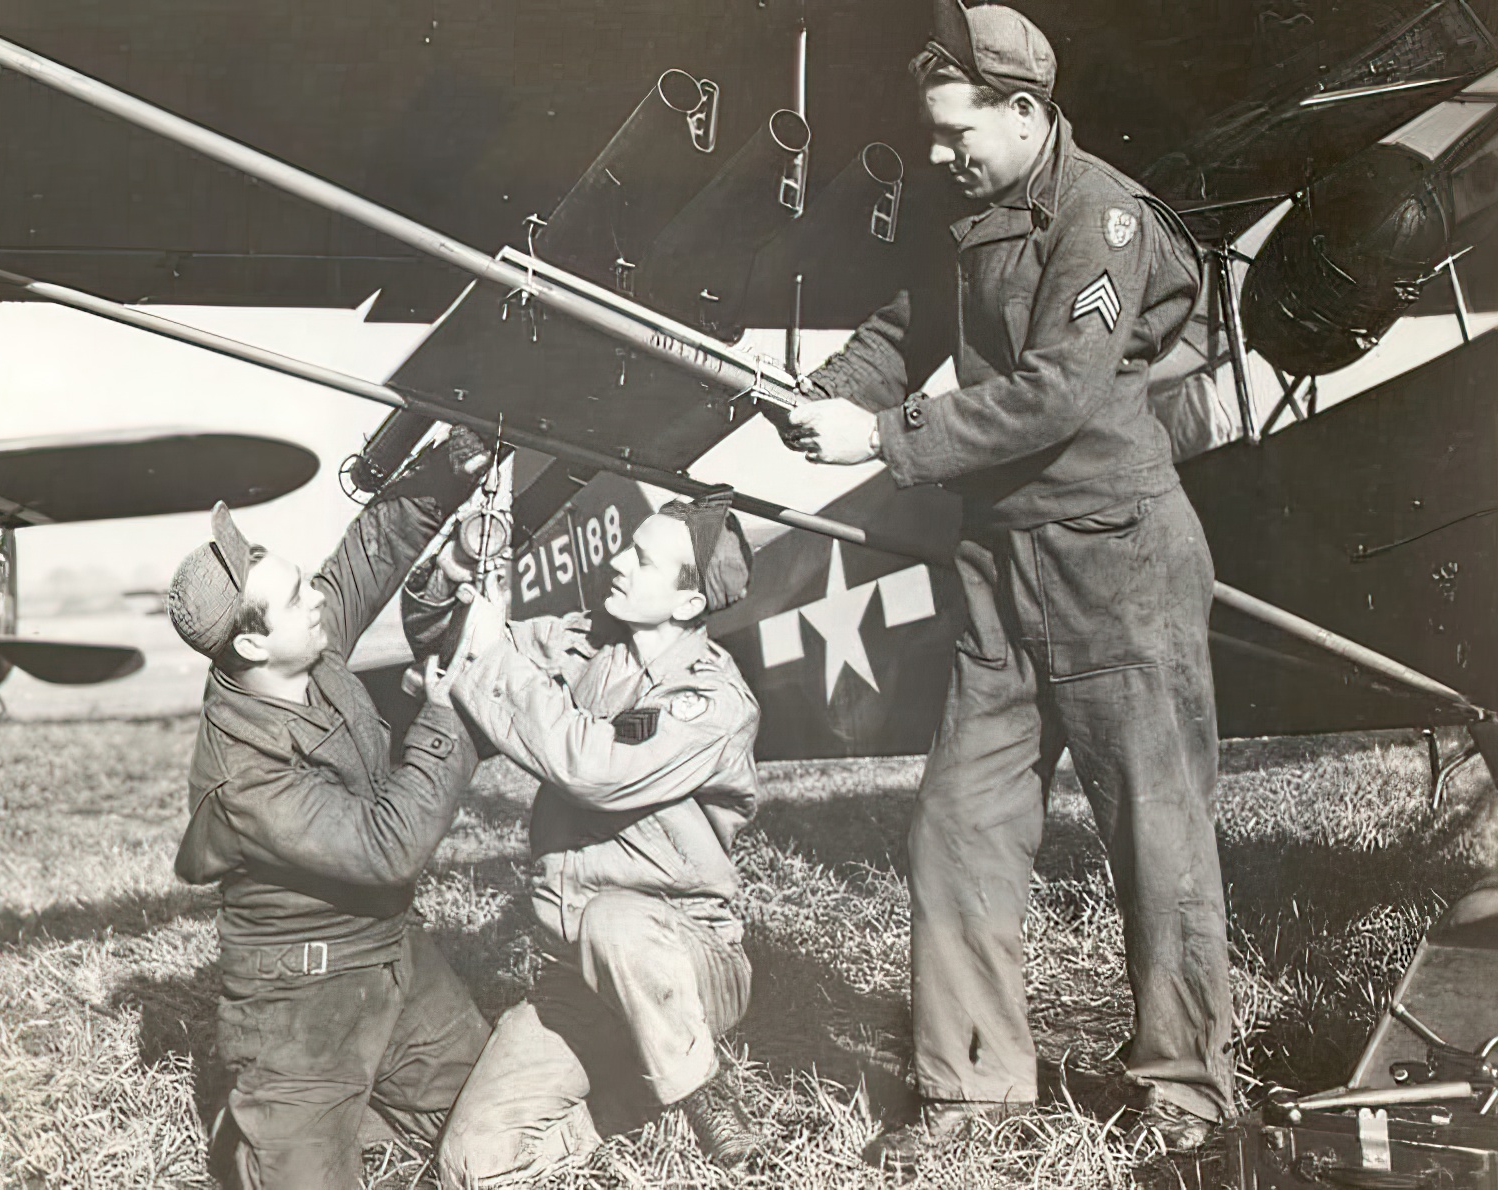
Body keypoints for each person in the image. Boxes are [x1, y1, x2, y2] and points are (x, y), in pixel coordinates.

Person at [784, 0, 1234, 1169]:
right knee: (957, 827)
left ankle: (1184, 1095)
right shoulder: (971, 212)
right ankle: (975, 1091)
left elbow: (1054, 393)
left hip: (1113, 560)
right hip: (999, 567)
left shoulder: (1105, 217)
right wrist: (819, 392)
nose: (938, 155)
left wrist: (879, 440)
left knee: (1157, 834)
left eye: (956, 133)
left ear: (1026, 114)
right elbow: (904, 329)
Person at [166, 430, 494, 1189]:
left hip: (392, 957)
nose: (320, 597)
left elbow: (368, 552)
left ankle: (345, 1108)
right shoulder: (243, 776)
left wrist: (447, 470)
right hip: (299, 1004)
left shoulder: (301, 649)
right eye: (295, 596)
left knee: (493, 1116)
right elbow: (390, 846)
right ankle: (264, 1125)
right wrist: (449, 713)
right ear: (250, 647)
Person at [411, 488, 765, 1185]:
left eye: (643, 560)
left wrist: (493, 658)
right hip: (579, 973)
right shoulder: (590, 642)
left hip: (684, 962)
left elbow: (594, 769)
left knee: (615, 921)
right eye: (628, 548)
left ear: (689, 604)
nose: (619, 563)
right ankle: (637, 1098)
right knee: (470, 1164)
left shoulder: (711, 701)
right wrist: (455, 580)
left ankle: (703, 1092)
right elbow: (466, 642)